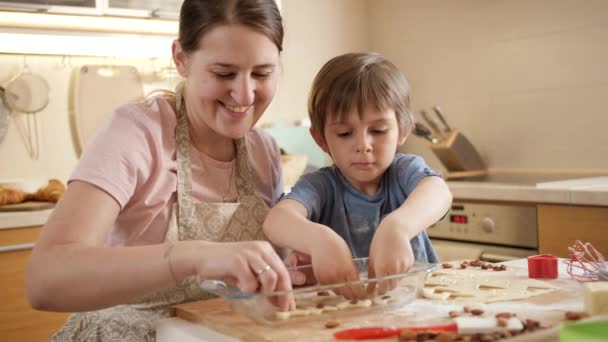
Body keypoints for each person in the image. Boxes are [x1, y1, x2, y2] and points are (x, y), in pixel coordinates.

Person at [25, 1, 296, 340]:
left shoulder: (264, 150)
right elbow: (45, 280)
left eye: (261, 74)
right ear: (181, 59)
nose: (244, 94)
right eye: (224, 73)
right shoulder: (138, 133)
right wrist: (193, 255)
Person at [263, 52, 453, 298]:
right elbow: (276, 220)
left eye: (378, 130)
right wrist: (320, 240)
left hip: (420, 310)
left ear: (403, 130)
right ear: (321, 139)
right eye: (344, 133)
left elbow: (438, 191)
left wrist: (397, 227)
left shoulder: (404, 171)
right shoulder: (321, 186)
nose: (363, 145)